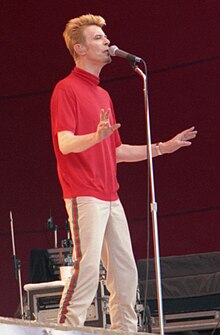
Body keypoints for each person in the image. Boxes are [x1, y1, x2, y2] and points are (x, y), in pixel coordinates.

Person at [50, 14, 197, 332]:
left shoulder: (102, 95)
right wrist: (94, 137)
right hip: (84, 192)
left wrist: (162, 147)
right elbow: (65, 144)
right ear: (80, 48)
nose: (107, 42)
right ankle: (63, 330)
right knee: (86, 267)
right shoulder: (67, 89)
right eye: (98, 38)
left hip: (109, 193)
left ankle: (125, 331)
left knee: (125, 273)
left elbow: (115, 152)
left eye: (105, 37)